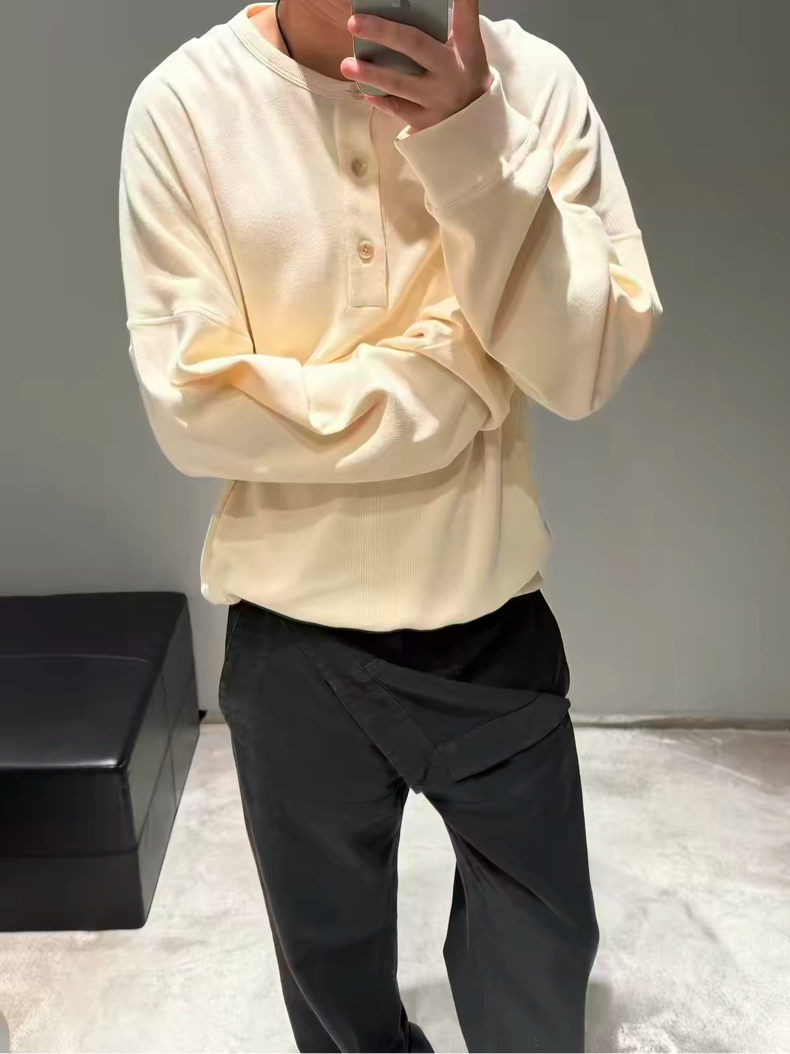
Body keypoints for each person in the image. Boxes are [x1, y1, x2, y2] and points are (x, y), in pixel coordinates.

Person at [118, 1, 662, 1049]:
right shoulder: (188, 106)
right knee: (334, 994)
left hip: (488, 621)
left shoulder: (532, 83)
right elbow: (194, 410)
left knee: (541, 974)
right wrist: (462, 374)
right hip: (293, 646)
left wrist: (470, 137)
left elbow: (585, 362)